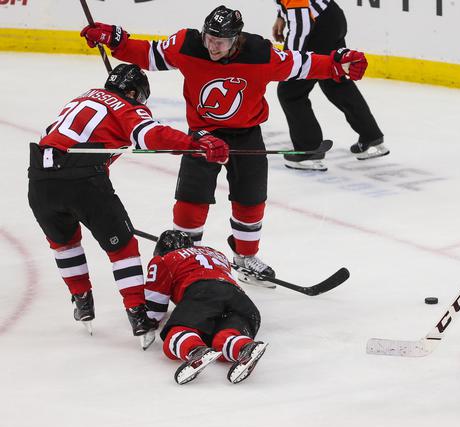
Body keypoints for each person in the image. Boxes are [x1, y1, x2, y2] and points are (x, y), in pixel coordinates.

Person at [80, 5, 369, 286]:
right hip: (202, 135)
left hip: (247, 134)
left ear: (235, 40)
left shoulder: (260, 54)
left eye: (220, 42)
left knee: (250, 200)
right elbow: (149, 54)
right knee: (191, 200)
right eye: (209, 39)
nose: (212, 47)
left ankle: (245, 258)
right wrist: (116, 40)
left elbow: (300, 65)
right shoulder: (187, 45)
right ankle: (185, 257)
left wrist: (337, 64)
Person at [28, 63, 229, 340]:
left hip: (39, 177)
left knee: (64, 242)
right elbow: (150, 135)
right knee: (123, 247)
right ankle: (138, 315)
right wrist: (194, 143)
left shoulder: (83, 97)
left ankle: (81, 300)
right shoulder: (129, 107)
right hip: (83, 179)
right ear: (134, 92)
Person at [273, 0, 389, 171]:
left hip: (317, 29)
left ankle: (308, 151)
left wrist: (289, 60)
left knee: (290, 92)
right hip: (330, 17)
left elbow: (302, 25)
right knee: (335, 80)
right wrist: (281, 15)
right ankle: (371, 136)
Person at [143, 230, 268, 385]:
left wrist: (144, 320)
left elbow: (154, 309)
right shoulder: (216, 253)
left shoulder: (164, 259)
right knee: (223, 338)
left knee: (175, 334)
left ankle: (195, 350)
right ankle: (244, 347)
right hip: (240, 299)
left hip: (203, 291)